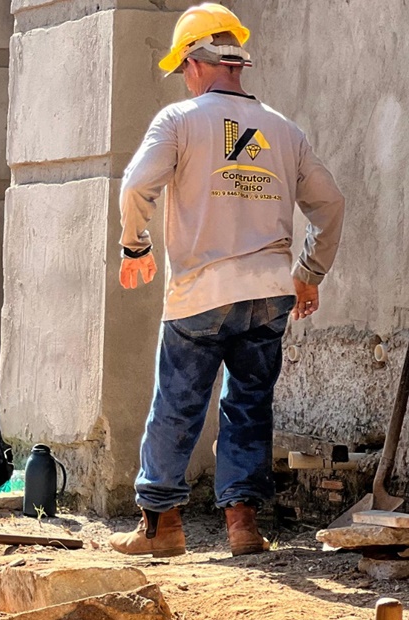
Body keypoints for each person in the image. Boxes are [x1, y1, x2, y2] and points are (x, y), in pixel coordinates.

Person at [108, 3, 345, 558]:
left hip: (200, 293)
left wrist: (134, 244)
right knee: (249, 404)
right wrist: (308, 274)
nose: (184, 78)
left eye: (182, 67)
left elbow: (136, 186)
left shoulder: (179, 122)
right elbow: (331, 205)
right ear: (236, 62)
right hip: (268, 292)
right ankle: (243, 527)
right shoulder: (285, 131)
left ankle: (161, 527)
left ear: (195, 61)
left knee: (178, 403)